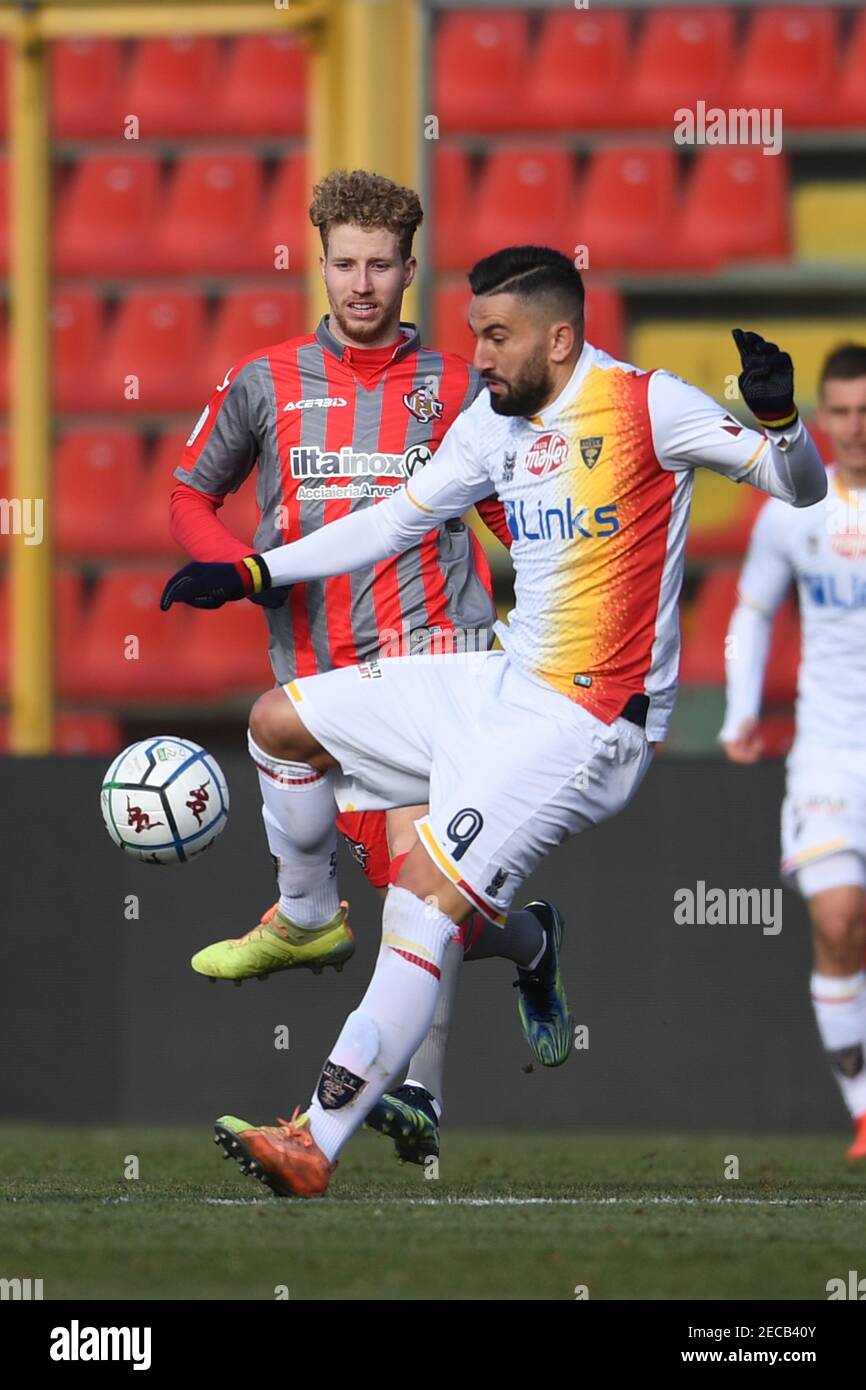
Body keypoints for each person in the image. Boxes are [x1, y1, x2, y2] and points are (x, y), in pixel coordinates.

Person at [162, 245, 827, 1198]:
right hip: (503, 677)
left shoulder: (649, 405)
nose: (477, 353)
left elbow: (800, 488)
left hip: (591, 720)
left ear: (560, 338)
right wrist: (258, 571)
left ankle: (317, 1135)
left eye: (497, 335)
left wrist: (782, 422)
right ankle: (310, 917)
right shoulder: (492, 424)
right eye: (474, 332)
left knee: (420, 896)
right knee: (278, 722)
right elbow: (394, 520)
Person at [170, 171, 572, 1165]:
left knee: (411, 887)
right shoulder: (263, 381)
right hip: (319, 675)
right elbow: (191, 491)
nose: (360, 284)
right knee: (445, 912)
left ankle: (411, 1097)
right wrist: (236, 571)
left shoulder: (452, 386)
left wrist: (549, 578)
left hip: (440, 660)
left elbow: (499, 503)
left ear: (407, 267)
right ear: (320, 261)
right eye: (343, 263)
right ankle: (528, 942)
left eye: (379, 265)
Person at [720, 343, 866, 1158]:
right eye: (839, 411)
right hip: (832, 754)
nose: (852, 428)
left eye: (865, 412)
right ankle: (864, 1109)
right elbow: (750, 614)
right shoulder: (794, 511)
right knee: (841, 921)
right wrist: (741, 711)